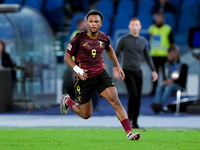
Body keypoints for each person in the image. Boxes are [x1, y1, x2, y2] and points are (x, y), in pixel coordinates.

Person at [60, 10, 140, 140]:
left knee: (115, 99)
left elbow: (109, 49)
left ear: (101, 23)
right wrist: (78, 70)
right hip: (83, 77)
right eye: (91, 21)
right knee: (86, 114)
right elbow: (67, 57)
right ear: (87, 23)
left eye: (96, 21)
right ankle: (67, 100)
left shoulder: (104, 37)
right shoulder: (78, 38)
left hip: (100, 74)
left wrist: (118, 66)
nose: (93, 24)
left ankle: (129, 133)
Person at [113, 17, 158, 128]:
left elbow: (147, 56)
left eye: (136, 25)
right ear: (129, 26)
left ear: (140, 27)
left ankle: (135, 122)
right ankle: (128, 119)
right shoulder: (123, 39)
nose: (134, 27)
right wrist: (115, 68)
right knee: (133, 94)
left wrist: (153, 70)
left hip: (138, 71)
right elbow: (116, 54)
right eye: (132, 25)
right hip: (127, 70)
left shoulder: (143, 41)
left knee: (138, 97)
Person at [151, 44, 188, 113]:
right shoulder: (166, 65)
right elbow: (166, 76)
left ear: (176, 55)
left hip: (178, 84)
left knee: (168, 88)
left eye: (171, 54)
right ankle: (157, 103)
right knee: (160, 87)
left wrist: (173, 81)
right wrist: (166, 81)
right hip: (169, 83)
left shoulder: (183, 65)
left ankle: (161, 106)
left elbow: (183, 79)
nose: (169, 56)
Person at [148, 12, 174, 95]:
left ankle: (166, 91)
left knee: (165, 74)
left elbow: (171, 42)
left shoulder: (167, 28)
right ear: (155, 19)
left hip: (164, 55)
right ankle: (153, 90)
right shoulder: (151, 28)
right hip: (154, 55)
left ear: (163, 19)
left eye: (161, 18)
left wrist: (171, 53)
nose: (159, 19)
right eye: (158, 18)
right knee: (154, 74)